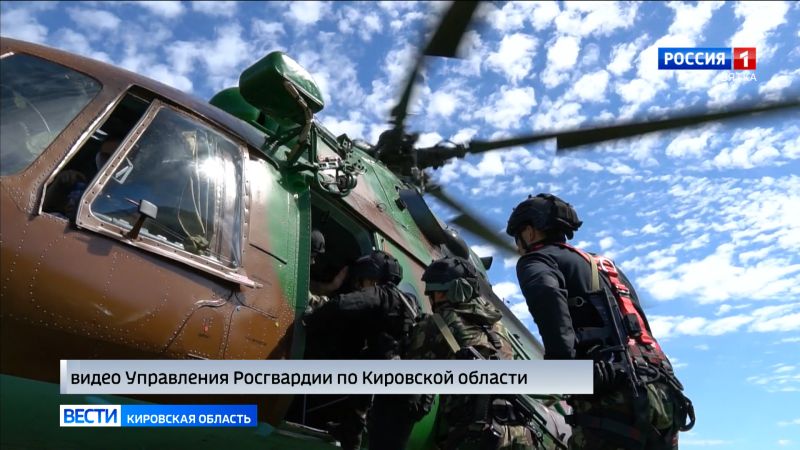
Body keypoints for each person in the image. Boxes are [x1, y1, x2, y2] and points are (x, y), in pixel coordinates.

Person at [505, 194, 694, 450]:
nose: (518, 246)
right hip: (662, 393)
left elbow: (547, 297)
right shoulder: (605, 266)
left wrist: (562, 371)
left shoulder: (537, 260)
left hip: (612, 396)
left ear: (529, 232)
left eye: (517, 237)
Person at [407, 256, 543, 450]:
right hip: (521, 435)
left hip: (479, 437)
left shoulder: (437, 324)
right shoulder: (497, 327)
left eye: (432, 292)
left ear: (443, 293)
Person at [303, 249, 419, 450]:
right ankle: (350, 431)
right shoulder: (409, 302)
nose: (359, 287)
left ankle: (351, 433)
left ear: (372, 279)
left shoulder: (381, 294)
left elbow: (341, 305)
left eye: (362, 281)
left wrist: (311, 319)